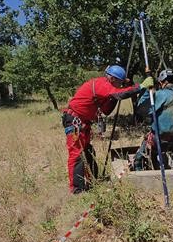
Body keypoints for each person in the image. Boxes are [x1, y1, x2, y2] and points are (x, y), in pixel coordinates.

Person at [62, 65, 153, 194]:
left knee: (88, 151)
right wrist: (140, 87)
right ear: (111, 78)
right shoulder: (102, 84)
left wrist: (116, 97)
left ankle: (92, 181)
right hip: (74, 121)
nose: (120, 85)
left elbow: (106, 110)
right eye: (119, 82)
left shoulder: (108, 88)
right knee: (77, 154)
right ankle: (77, 190)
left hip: (83, 123)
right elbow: (119, 94)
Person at [133, 69, 173, 171]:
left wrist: (146, 90)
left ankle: (139, 174)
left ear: (161, 82)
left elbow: (141, 109)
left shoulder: (160, 94)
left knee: (138, 159)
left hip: (157, 139)